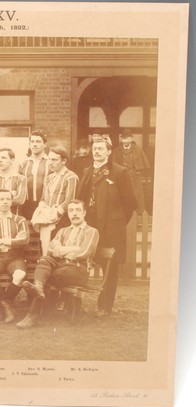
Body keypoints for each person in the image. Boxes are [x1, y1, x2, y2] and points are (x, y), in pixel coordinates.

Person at [77, 136, 137, 317]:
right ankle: (75, 303)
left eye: (101, 148)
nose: (97, 151)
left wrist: (116, 221)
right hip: (90, 225)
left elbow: (130, 203)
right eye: (95, 148)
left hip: (111, 227)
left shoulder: (119, 172)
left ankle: (104, 306)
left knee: (109, 267)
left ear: (109, 151)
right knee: (81, 261)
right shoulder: (87, 171)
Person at [16, 199, 99, 328]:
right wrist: (72, 249)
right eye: (71, 210)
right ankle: (38, 288)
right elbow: (50, 250)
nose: (74, 213)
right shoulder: (62, 231)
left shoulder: (91, 231)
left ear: (84, 213)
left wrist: (60, 250)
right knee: (44, 260)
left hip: (78, 271)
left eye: (78, 210)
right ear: (68, 214)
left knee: (48, 276)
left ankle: (33, 314)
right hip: (61, 268)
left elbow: (83, 253)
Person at [0, 189, 29, 323]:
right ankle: (7, 308)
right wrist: (14, 240)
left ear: (11, 201)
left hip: (15, 257)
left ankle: (1, 307)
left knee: (19, 275)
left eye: (7, 199)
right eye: (1, 199)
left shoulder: (20, 220)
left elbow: (24, 240)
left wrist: (3, 241)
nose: (5, 202)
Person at [31, 146, 78, 256]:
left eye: (54, 160)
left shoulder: (71, 177)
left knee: (57, 250)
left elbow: (70, 201)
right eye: (49, 159)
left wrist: (55, 213)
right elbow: (43, 198)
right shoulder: (49, 178)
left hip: (62, 221)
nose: (50, 163)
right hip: (47, 219)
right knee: (45, 249)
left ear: (64, 161)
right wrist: (43, 210)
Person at [112, 128, 150, 215]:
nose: (125, 140)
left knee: (137, 196)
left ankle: (139, 215)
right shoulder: (117, 151)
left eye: (127, 138)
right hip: (122, 178)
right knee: (123, 196)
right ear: (121, 139)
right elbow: (114, 167)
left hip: (135, 178)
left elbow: (144, 165)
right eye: (123, 138)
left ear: (131, 139)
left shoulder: (137, 149)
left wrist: (138, 172)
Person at [0, 147, 27, 219]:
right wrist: (10, 194)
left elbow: (20, 200)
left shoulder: (21, 178)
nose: (0, 160)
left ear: (12, 160)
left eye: (3, 158)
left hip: (15, 219)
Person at [18, 130, 50, 220]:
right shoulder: (23, 164)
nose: (35, 144)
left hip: (45, 205)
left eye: (38, 141)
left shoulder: (50, 163)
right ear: (29, 144)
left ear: (45, 144)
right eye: (32, 142)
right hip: (26, 206)